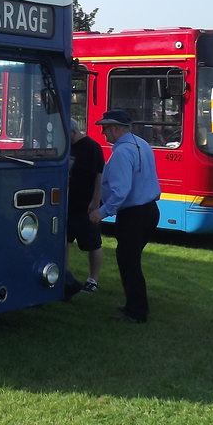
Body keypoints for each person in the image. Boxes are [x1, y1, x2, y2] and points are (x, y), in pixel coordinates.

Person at [89, 109, 161, 323]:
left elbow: (121, 191)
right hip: (149, 210)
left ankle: (136, 311)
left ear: (115, 128)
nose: (103, 133)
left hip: (134, 214)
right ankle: (134, 304)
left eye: (105, 129)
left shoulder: (121, 153)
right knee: (131, 260)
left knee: (129, 262)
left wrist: (101, 212)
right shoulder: (141, 144)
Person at [67, 118, 105, 293]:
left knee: (92, 243)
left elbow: (99, 175)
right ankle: (65, 276)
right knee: (64, 241)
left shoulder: (92, 147)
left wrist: (96, 200)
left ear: (74, 132)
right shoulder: (66, 146)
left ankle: (93, 280)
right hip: (68, 203)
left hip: (86, 204)